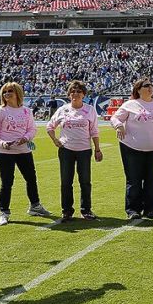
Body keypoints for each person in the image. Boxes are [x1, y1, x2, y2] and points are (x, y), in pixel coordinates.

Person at [0, 82, 53, 225]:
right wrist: (2, 143)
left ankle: (35, 206)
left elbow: (32, 129)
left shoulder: (26, 111)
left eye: (10, 91)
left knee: (31, 179)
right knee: (7, 183)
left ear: (18, 92)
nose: (7, 94)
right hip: (4, 153)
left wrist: (26, 138)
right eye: (4, 92)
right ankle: (4, 212)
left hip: (24, 151)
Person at [111, 77, 153, 220]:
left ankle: (150, 208)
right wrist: (118, 126)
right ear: (138, 89)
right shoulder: (130, 104)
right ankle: (133, 210)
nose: (150, 87)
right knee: (133, 179)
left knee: (152, 179)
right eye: (146, 85)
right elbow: (115, 118)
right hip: (132, 148)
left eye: (151, 85)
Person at [47, 80, 101, 221]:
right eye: (72, 91)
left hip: (84, 150)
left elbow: (94, 131)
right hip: (66, 150)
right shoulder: (62, 110)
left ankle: (86, 210)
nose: (75, 94)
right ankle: (67, 211)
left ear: (83, 94)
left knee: (85, 181)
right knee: (66, 182)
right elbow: (50, 127)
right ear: (69, 94)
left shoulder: (90, 110)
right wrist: (55, 140)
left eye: (78, 91)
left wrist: (97, 149)